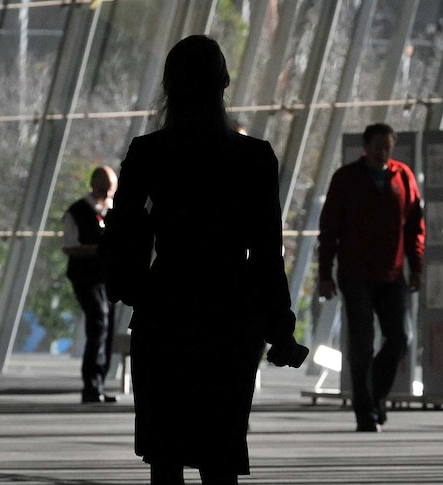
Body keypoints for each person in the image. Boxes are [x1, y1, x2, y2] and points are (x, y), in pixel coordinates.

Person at [102, 35, 307, 485]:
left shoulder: (149, 153)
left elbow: (126, 234)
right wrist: (280, 327)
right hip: (231, 313)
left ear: (169, 87)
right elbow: (266, 253)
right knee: (221, 454)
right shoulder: (254, 158)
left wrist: (128, 287)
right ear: (224, 83)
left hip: (167, 308)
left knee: (166, 454)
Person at [317, 122, 425, 432]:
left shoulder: (403, 177)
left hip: (393, 275)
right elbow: (330, 230)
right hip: (356, 274)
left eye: (388, 148)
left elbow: (415, 227)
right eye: (378, 147)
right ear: (366, 146)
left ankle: (375, 396)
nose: (383, 153)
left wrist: (416, 267)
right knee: (362, 343)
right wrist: (326, 274)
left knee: (399, 339)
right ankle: (364, 411)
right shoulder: (346, 179)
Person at [62, 165, 120, 404]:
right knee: (98, 322)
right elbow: (69, 245)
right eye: (105, 189)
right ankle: (90, 384)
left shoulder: (112, 211)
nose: (108, 195)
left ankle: (98, 383)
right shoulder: (77, 212)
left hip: (107, 278)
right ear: (94, 185)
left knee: (105, 329)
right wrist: (96, 250)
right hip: (85, 277)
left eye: (111, 190)